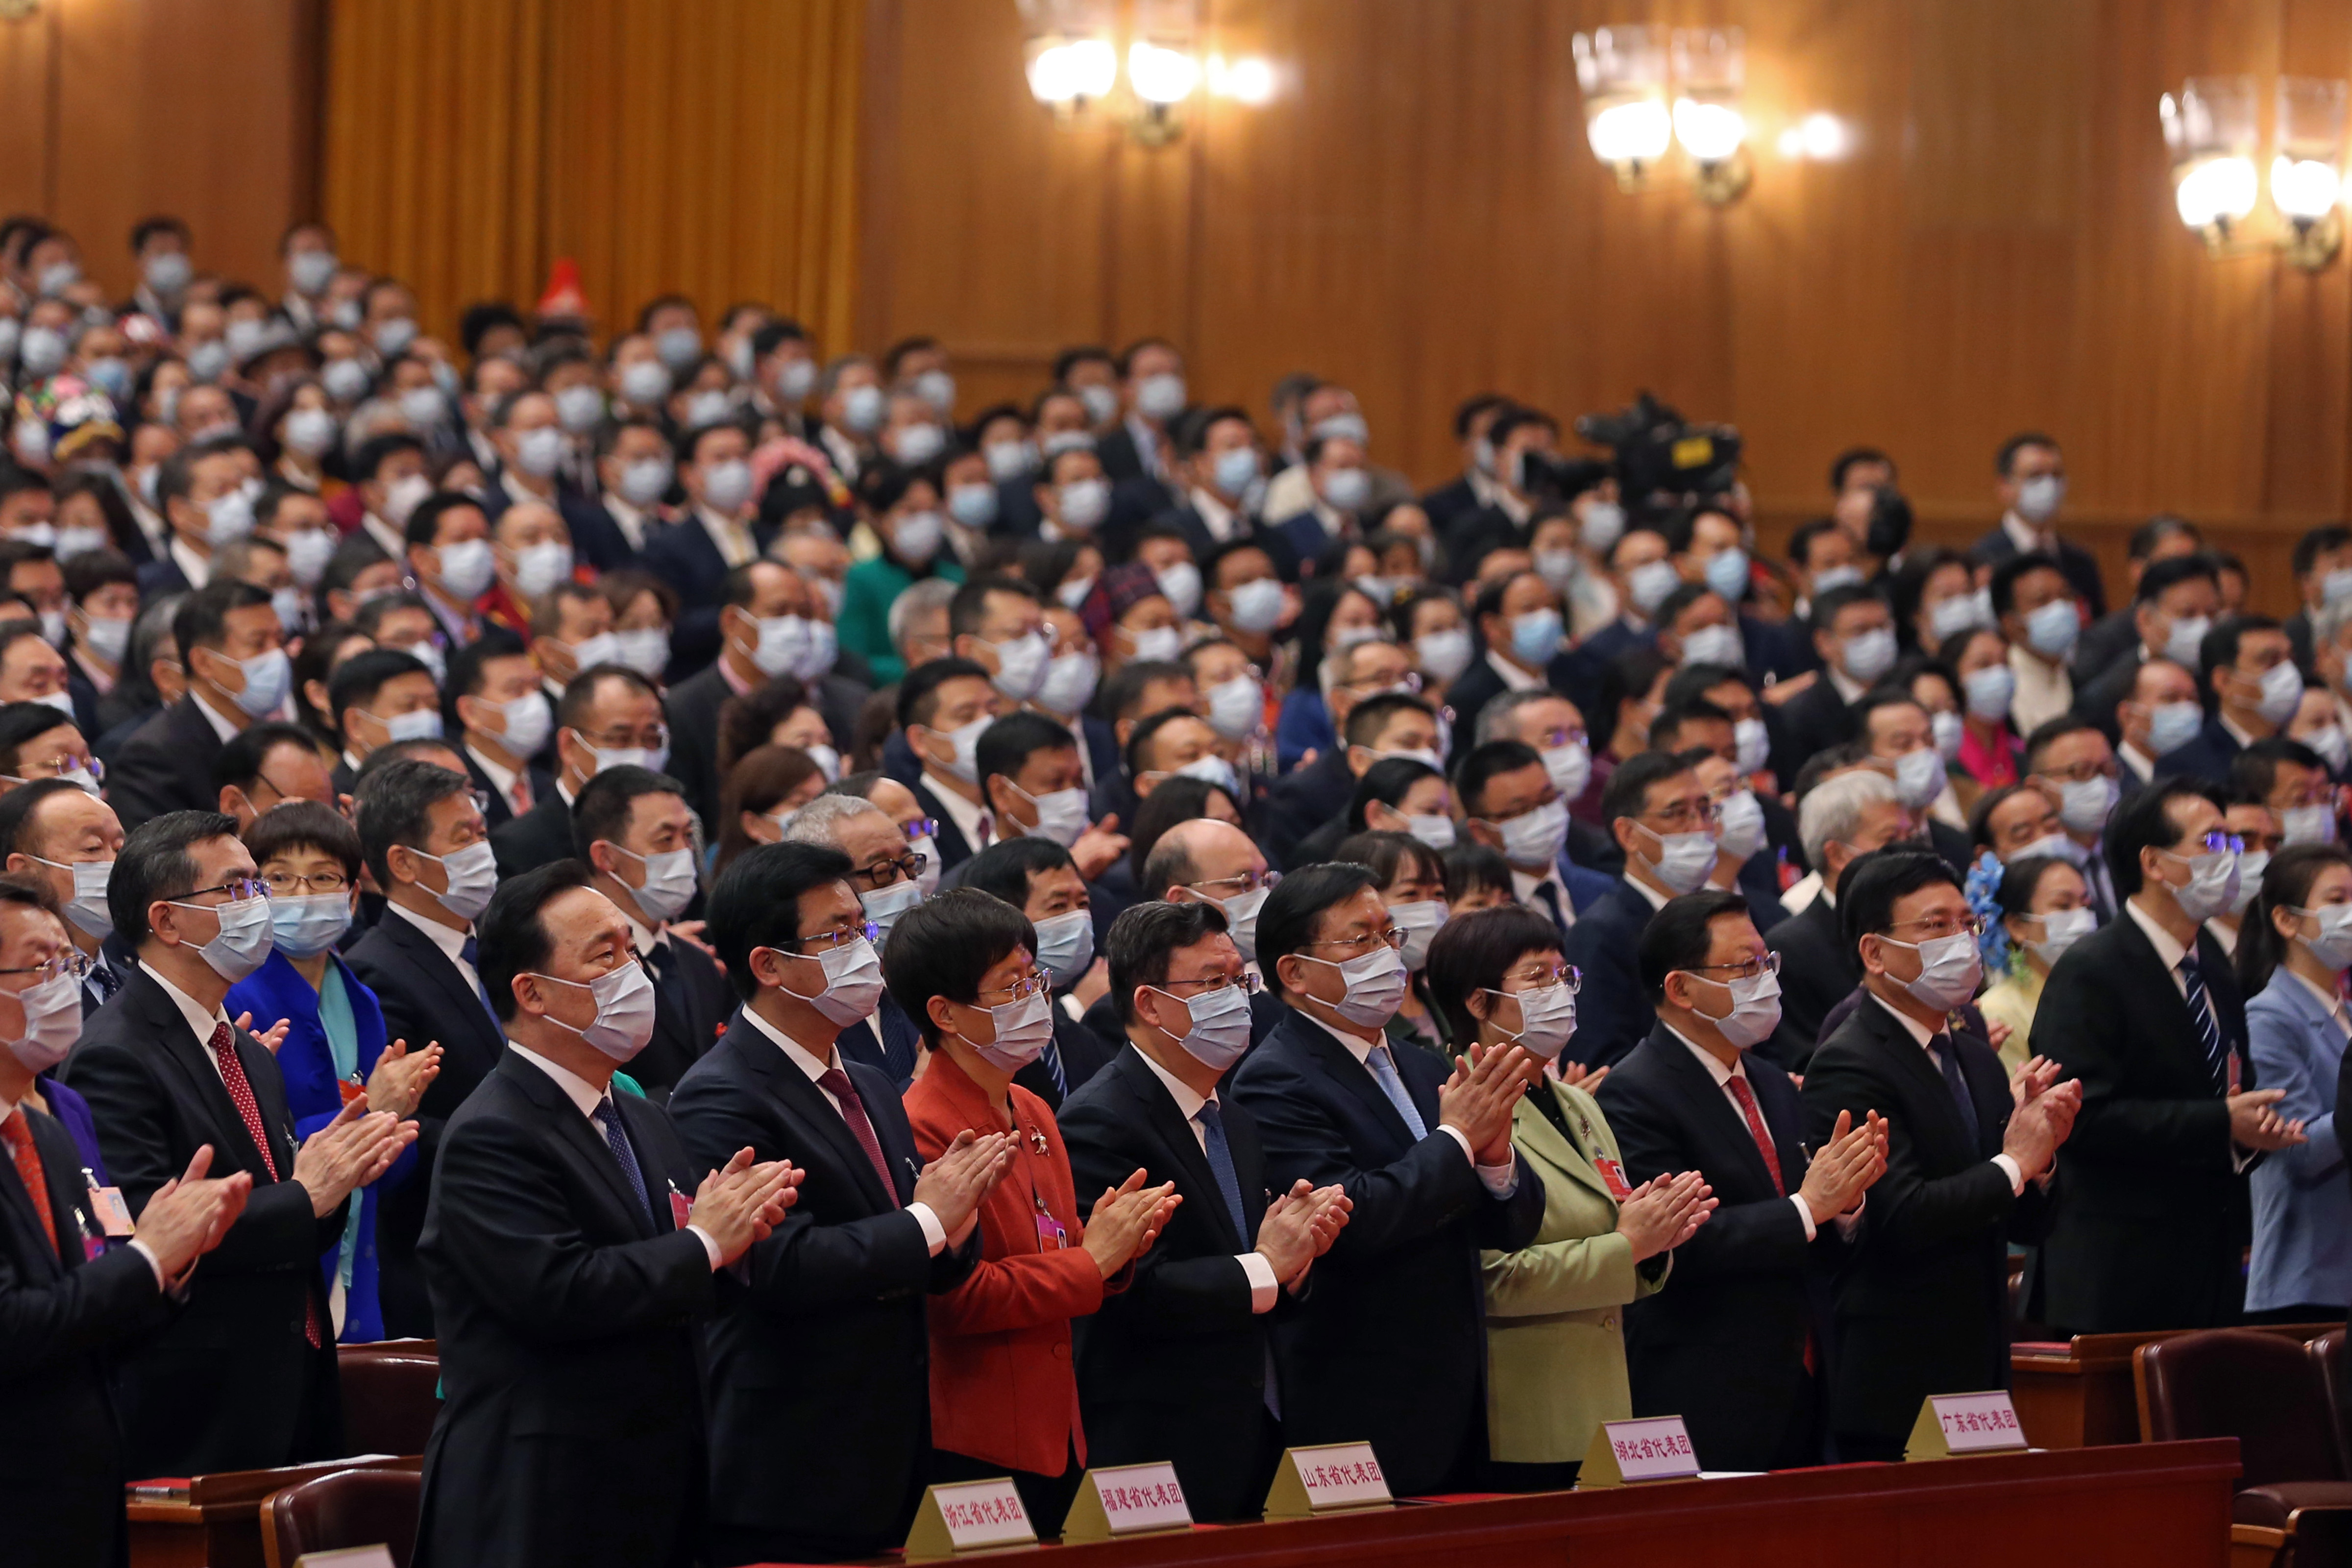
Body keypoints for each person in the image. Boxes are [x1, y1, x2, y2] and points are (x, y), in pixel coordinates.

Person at [413, 860, 798, 1568]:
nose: (633, 973)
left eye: (630, 948)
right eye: (605, 956)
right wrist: (706, 1242)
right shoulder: (492, 1131)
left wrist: (738, 1242)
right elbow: (557, 1292)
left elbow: (681, 1276)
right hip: (544, 1490)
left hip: (656, 1474)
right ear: (531, 992)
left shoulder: (643, 1118)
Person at [667, 843, 1006, 1564]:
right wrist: (927, 1223)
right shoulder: (719, 1094)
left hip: (900, 1443)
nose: (863, 949)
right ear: (767, 965)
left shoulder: (872, 1082)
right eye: (837, 934)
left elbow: (923, 1253)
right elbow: (776, 1263)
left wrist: (956, 1227)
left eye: (864, 930)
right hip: (794, 1456)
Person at [63, 809, 414, 1475]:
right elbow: (149, 1231)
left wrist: (334, 1183)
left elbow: (294, 1215)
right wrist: (306, 1194)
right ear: (165, 922)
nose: (261, 904)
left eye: (258, 885)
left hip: (296, 1374)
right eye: (237, 889)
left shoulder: (247, 1052)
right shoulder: (115, 1054)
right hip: (199, 1401)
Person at [1228, 862, 1545, 1495]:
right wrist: (1457, 1141)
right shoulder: (1275, 1078)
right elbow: (1350, 1218)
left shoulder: (1426, 1065)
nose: (1386, 955)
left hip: (1463, 1388)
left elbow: (1513, 1224)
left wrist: (1495, 1156)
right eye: (1360, 939)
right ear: (1293, 972)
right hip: (1359, 1392)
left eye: (1389, 936)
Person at [891, 887, 1177, 1533]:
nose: (1034, 997)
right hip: (976, 1438)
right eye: (1009, 985)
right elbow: (957, 1299)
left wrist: (1117, 1247)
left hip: (1061, 1430)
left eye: (1034, 977)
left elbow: (1062, 1255)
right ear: (946, 1013)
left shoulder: (1035, 1108)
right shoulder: (923, 1124)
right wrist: (1091, 1260)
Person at [1059, 899, 1349, 1522]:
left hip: (1258, 1429)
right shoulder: (1099, 1119)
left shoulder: (1233, 1117)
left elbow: (1257, 1267)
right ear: (1150, 1004)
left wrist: (1297, 1261)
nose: (1238, 998)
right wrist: (1268, 1267)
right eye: (1213, 982)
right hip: (1158, 1443)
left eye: (1240, 980)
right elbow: (1130, 1287)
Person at [0, 870, 255, 1566]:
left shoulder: (45, 1133)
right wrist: (146, 1259)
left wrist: (169, 1266)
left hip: (82, 1492)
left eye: (69, 963)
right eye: (40, 966)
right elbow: (14, 1327)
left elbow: (89, 1320)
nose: (63, 984)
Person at [1593, 890, 1885, 1472]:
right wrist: (1809, 1206)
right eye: (1744, 966)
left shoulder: (1773, 1082)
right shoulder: (1635, 1091)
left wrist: (1846, 1204)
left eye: (1766, 962)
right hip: (1705, 1380)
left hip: (1805, 1371)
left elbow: (1810, 1225)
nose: (1764, 980)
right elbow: (1680, 1239)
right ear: (1680, 989)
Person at [1424, 905, 1713, 1489]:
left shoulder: (1579, 1103)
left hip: (1607, 1400)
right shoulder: (1456, 1107)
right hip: (1524, 1409)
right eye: (1537, 977)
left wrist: (1657, 1238)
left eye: (1564, 975)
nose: (1559, 991)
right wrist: (1627, 1244)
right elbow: (1487, 1279)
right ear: (1478, 1003)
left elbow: (1619, 1228)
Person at [1801, 849, 2074, 1462]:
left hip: (1981, 1364)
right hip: (1896, 1373)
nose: (1961, 940)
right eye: (1934, 925)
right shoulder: (1850, 1060)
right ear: (1874, 952)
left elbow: (2027, 1224)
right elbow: (1900, 1214)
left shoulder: (1972, 1053)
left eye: (1967, 923)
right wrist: (2015, 1164)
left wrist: (2043, 1154)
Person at [2029, 778, 2308, 1331]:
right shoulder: (2094, 969)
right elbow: (2082, 1118)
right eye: (2213, 843)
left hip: (2210, 1263)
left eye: (2233, 845)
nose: (2230, 859)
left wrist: (2250, 1133)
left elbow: (2230, 1092)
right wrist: (2220, 1121)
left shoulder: (2215, 966)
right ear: (2154, 862)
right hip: (2120, 1272)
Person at [226, 801, 442, 1344]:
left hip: (360, 1261)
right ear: (253, 891)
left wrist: (399, 1119)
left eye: (323, 877)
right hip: (281, 1268)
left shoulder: (362, 999)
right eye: (279, 877)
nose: (302, 894)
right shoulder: (234, 995)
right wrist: (375, 1108)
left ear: (351, 894)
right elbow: (252, 1150)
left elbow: (391, 1171)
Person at [344, 758, 507, 1336]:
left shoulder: (493, 948)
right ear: (404, 863)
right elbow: (406, 1116)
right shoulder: (377, 970)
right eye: (463, 837)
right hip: (441, 1246)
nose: (481, 849)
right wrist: (519, 1142)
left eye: (481, 832)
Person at [2237, 844, 2352, 1322]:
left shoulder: (2344, 1012)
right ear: (2287, 920)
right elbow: (2298, 1148)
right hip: (2308, 1278)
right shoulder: (2269, 1015)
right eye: (2339, 898)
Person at [573, 765, 731, 1098]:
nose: (683, 852)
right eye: (665, 839)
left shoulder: (698, 961)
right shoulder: (582, 972)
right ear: (606, 857)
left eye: (687, 836)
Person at [1564, 752, 1720, 1067]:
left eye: (1705, 810)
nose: (1699, 826)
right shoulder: (1602, 932)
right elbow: (1603, 1060)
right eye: (1678, 813)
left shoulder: (1726, 915)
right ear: (1628, 834)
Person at [1764, 768, 1914, 1069]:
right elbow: (1810, 1060)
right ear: (1837, 855)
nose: (1908, 851)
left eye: (1910, 836)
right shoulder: (1792, 947)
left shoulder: (1924, 922)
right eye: (1891, 839)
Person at [106, 579, 286, 830]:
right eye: (258, 643)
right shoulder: (152, 758)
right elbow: (161, 862)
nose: (277, 655)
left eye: (279, 640)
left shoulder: (280, 737)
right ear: (204, 663)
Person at [957, 836, 1121, 1108]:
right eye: (1058, 906)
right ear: (1002, 917)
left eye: (1082, 904)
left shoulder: (1082, 1039)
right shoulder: (978, 1044)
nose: (1078, 919)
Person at [491, 662, 669, 876]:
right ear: (570, 746)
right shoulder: (518, 849)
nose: (640, 753)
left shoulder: (676, 828)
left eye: (651, 739)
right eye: (620, 739)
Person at [0, 774, 131, 1014]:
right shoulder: (17, 999)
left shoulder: (136, 986)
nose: (116, 864)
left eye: (119, 849)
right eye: (92, 848)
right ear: (25, 871)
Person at [1975, 853, 2094, 1074]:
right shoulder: (1999, 1012)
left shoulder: (2106, 987)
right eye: (2064, 906)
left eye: (2086, 904)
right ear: (2018, 926)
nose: (2083, 919)